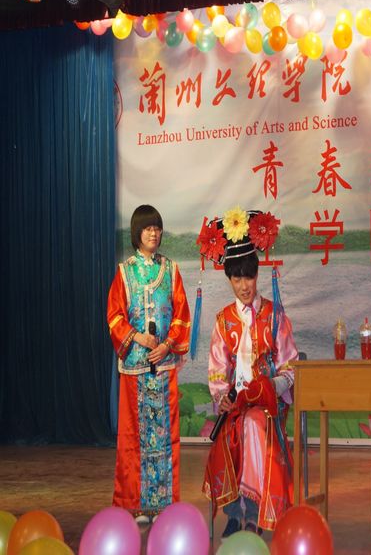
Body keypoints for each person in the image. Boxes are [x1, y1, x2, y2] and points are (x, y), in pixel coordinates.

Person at [200, 207, 298, 536]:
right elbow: (217, 370)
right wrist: (222, 398)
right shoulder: (224, 320)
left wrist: (270, 386)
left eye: (249, 277)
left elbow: (290, 366)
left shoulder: (274, 316)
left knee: (253, 425)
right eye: (237, 278)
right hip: (235, 405)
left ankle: (252, 512)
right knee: (232, 430)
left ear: (258, 275)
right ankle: (234, 511)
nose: (244, 286)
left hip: (268, 405)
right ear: (229, 279)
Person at [106, 204, 191, 524]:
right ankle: (136, 505)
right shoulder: (124, 271)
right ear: (137, 233)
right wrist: (138, 338)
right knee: (133, 439)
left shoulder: (171, 270)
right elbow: (114, 316)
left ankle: (163, 505)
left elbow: (181, 315)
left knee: (166, 438)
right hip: (136, 368)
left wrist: (167, 345)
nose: (153, 233)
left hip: (164, 366)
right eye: (147, 228)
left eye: (157, 227)